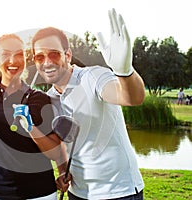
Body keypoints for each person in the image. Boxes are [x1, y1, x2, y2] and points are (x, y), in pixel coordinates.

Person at [31, 8, 145, 199]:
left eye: (54, 54)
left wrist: (124, 72)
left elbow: (131, 98)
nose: (47, 62)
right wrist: (62, 171)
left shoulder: (93, 76)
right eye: (39, 57)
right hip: (78, 193)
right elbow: (62, 145)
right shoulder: (49, 99)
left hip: (118, 192)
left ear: (67, 56)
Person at [0, 33, 68, 200]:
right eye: (6, 54)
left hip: (40, 193)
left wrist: (31, 128)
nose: (13, 61)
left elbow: (55, 152)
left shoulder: (41, 99)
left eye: (19, 54)